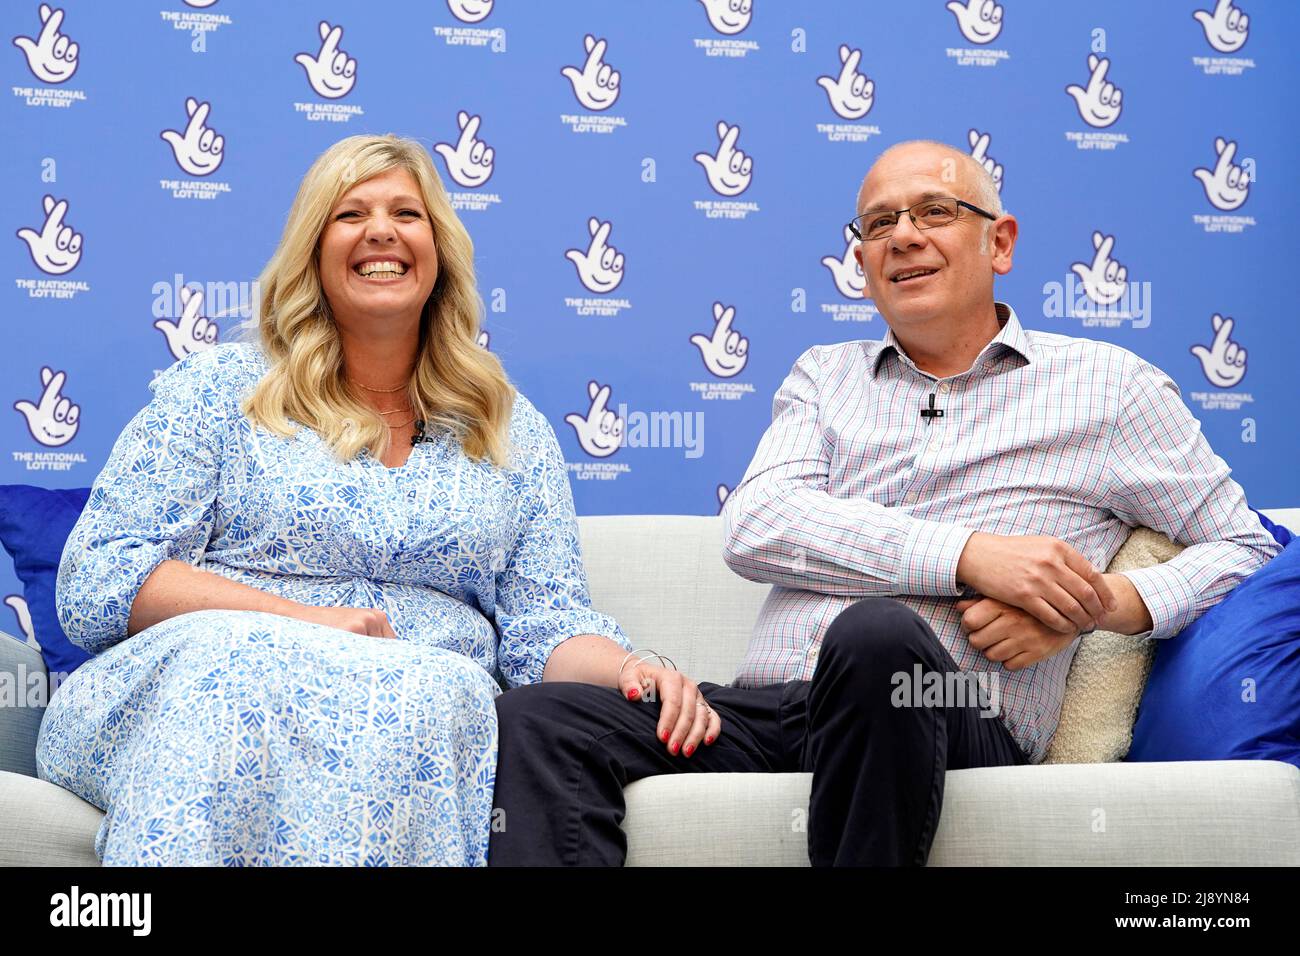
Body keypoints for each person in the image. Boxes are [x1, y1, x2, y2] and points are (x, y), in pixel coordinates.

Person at [487, 139, 1282, 866]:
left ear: (999, 241)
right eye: (879, 224)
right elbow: (760, 522)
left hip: (948, 705)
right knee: (542, 718)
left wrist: (1097, 601)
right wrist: (970, 556)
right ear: (862, 260)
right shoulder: (824, 376)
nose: (903, 235)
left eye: (935, 212)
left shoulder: (1113, 389)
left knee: (878, 640)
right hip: (779, 710)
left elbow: (1243, 547)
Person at [36, 133, 709, 866]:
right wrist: (309, 625)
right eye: (350, 214)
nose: (381, 231)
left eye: (406, 214)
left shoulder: (509, 429)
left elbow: (545, 623)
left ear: (440, 251)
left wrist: (628, 667)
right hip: (207, 678)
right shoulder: (221, 390)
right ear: (313, 251)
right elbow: (102, 576)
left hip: (416, 699)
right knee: (239, 664)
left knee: (437, 693)